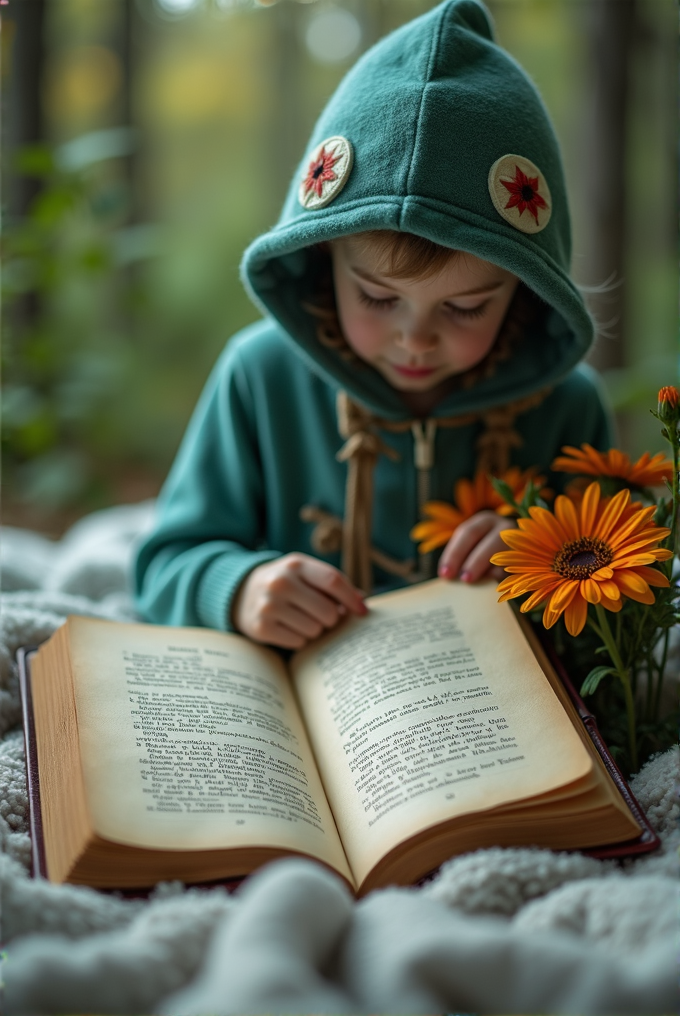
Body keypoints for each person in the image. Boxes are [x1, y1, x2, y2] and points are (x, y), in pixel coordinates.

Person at [134, 0, 612, 651]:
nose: (415, 339)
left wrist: (551, 560)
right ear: (321, 258)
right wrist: (240, 588)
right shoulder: (258, 377)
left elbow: (629, 603)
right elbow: (165, 564)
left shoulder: (568, 407)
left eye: (466, 307)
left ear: (526, 293)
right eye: (378, 298)